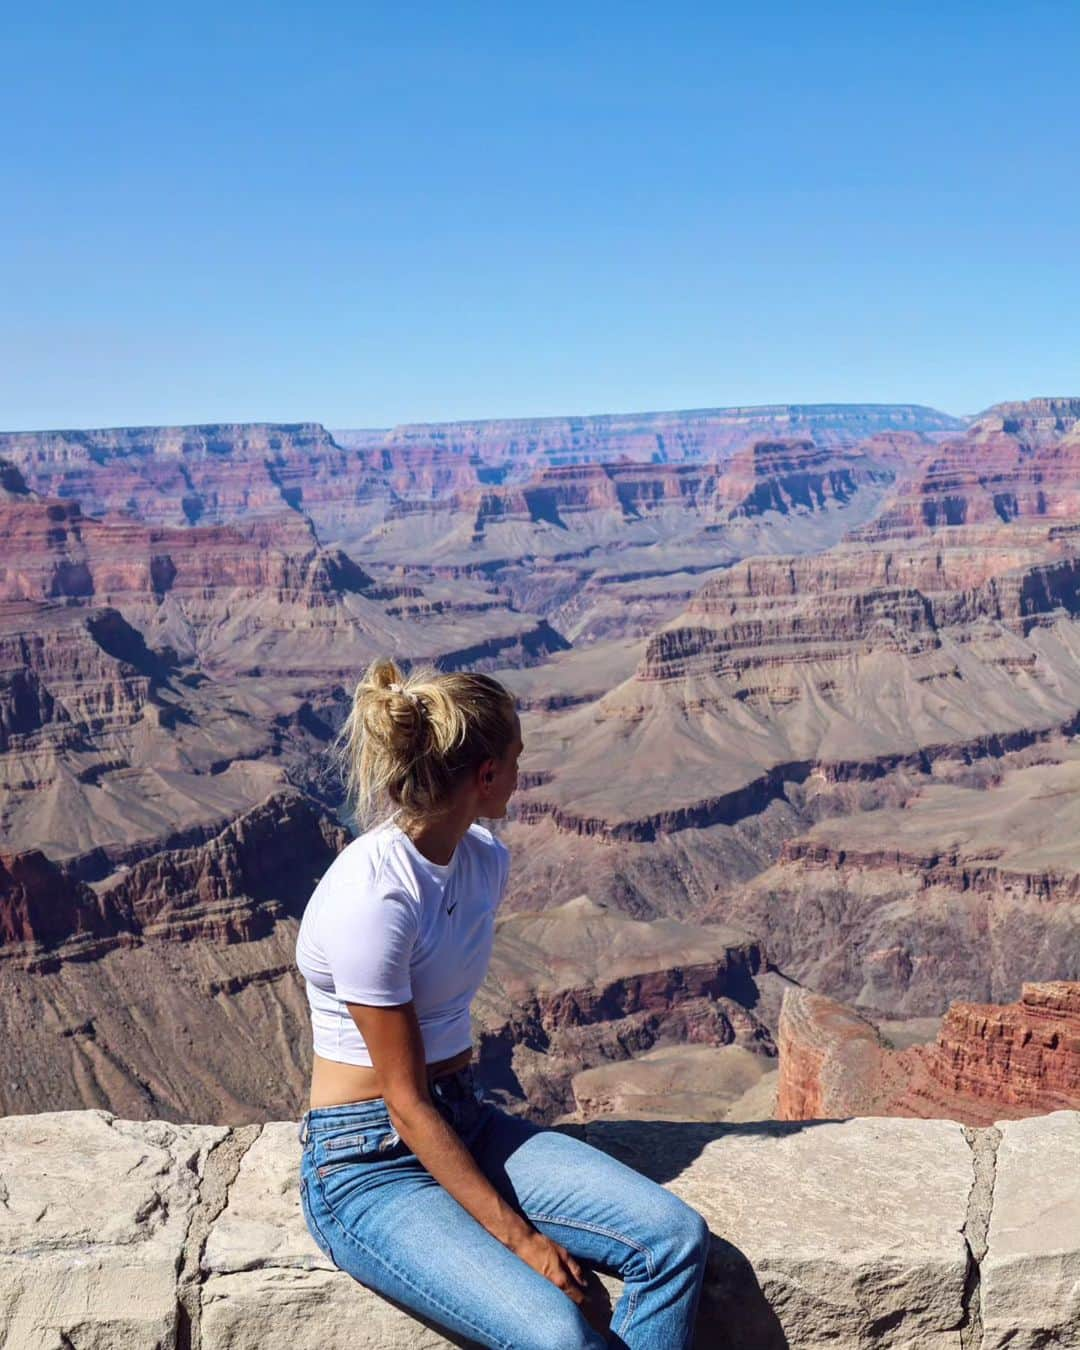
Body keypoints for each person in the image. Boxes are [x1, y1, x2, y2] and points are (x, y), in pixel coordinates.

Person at [294, 657, 710, 1349]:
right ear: (486, 775)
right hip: (367, 1164)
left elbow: (437, 1096)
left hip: (464, 1121)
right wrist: (523, 1241)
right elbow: (405, 1102)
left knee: (674, 1240)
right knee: (559, 1334)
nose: (523, 773)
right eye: (515, 758)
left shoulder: (484, 860)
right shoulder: (374, 896)